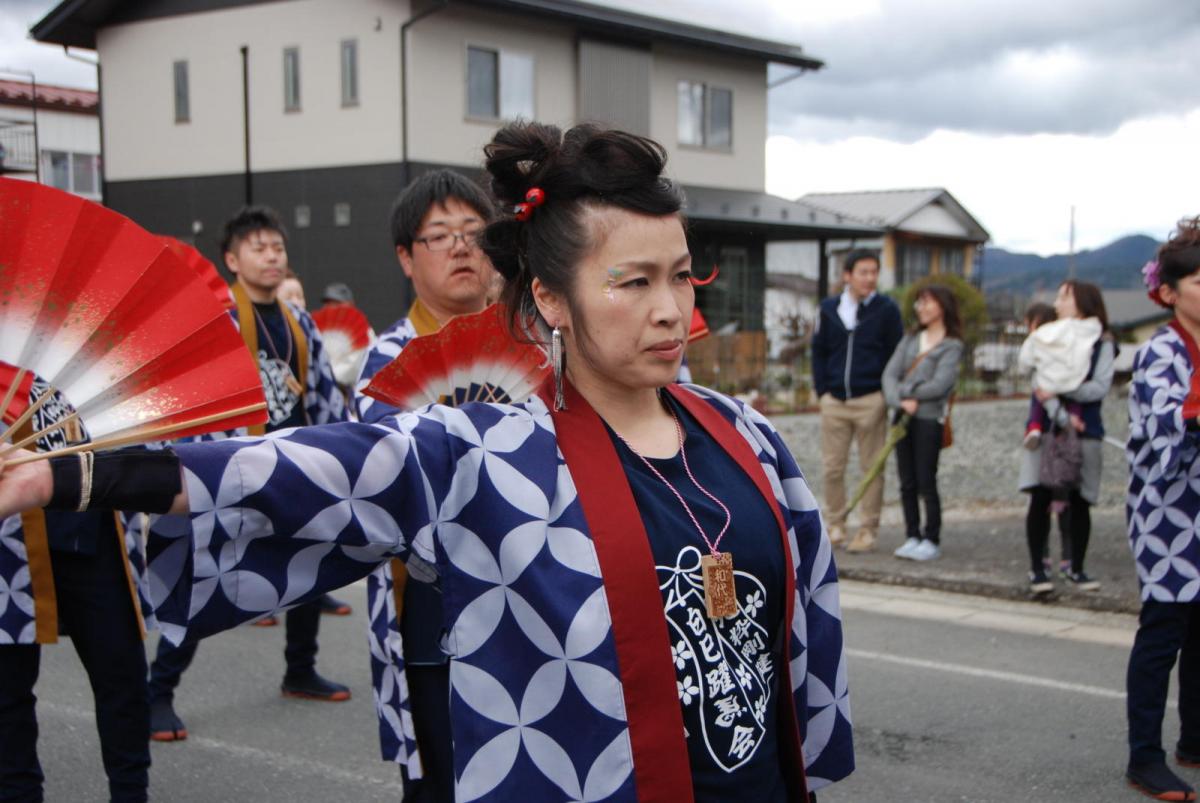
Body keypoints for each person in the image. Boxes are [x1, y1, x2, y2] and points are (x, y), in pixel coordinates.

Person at [0, 122, 853, 801]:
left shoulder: (747, 435)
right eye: (633, 283)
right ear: (549, 298)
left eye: (681, 277)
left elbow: (804, 631)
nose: (670, 310)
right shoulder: (490, 454)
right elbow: (293, 466)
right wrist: (68, 475)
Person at [145, 206, 352, 744]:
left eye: (277, 247)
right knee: (201, 576)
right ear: (232, 260)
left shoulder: (299, 322)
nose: (271, 256)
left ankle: (299, 669)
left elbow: (324, 396)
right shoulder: (218, 320)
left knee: (310, 563)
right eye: (258, 248)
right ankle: (158, 692)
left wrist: (334, 457)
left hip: (291, 462)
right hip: (229, 466)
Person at [352, 169, 496, 800]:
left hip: (531, 582)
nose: (461, 247)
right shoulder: (388, 357)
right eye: (439, 236)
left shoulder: (536, 339)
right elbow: (389, 483)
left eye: (473, 232)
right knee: (441, 774)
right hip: (435, 592)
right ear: (406, 258)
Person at [0, 383, 152, 801]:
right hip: (8, 536)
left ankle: (130, 792)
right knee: (7, 689)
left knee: (122, 673)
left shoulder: (95, 337)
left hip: (95, 522)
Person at [1124, 217, 1200, 801]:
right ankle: (1144, 756)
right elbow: (1166, 427)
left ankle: (1193, 739)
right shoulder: (1160, 352)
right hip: (1168, 513)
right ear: (1168, 293)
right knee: (1164, 630)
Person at [1019, 280, 1114, 595]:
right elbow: (1035, 378)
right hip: (1044, 430)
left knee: (1080, 500)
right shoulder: (1047, 336)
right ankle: (1037, 569)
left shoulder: (1102, 342)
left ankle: (1076, 566)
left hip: (1086, 429)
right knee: (1040, 496)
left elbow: (1098, 388)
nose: (1058, 303)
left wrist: (1058, 388)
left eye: (1064, 297)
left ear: (1083, 302)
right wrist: (1058, 407)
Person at [811, 250, 904, 553]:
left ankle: (867, 529)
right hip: (834, 400)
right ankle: (836, 524)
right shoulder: (828, 309)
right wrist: (822, 390)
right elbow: (819, 352)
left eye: (874, 272)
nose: (870, 278)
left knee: (872, 468)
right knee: (832, 467)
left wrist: (884, 394)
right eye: (863, 272)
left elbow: (896, 355)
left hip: (870, 399)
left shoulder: (886, 310)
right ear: (847, 275)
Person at [881, 284, 963, 562]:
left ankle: (932, 537)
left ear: (942, 305)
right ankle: (912, 534)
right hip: (903, 418)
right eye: (919, 303)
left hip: (929, 419)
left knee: (927, 479)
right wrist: (900, 399)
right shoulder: (911, 338)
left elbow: (942, 384)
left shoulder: (952, 345)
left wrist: (909, 392)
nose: (922, 308)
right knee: (907, 481)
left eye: (927, 302)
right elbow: (889, 376)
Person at [1023, 302, 1073, 578]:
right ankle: (1055, 557)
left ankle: (1058, 557)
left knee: (1051, 499)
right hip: (1052, 430)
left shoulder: (1053, 354)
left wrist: (1060, 418)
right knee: (1052, 498)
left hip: (1053, 432)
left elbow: (1044, 397)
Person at [1018, 299, 1103, 451]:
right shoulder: (1069, 335)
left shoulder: (1036, 339)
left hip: (1047, 383)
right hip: (1072, 379)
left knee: (1039, 399)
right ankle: (1074, 418)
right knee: (1073, 399)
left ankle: (1034, 427)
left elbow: (1024, 364)